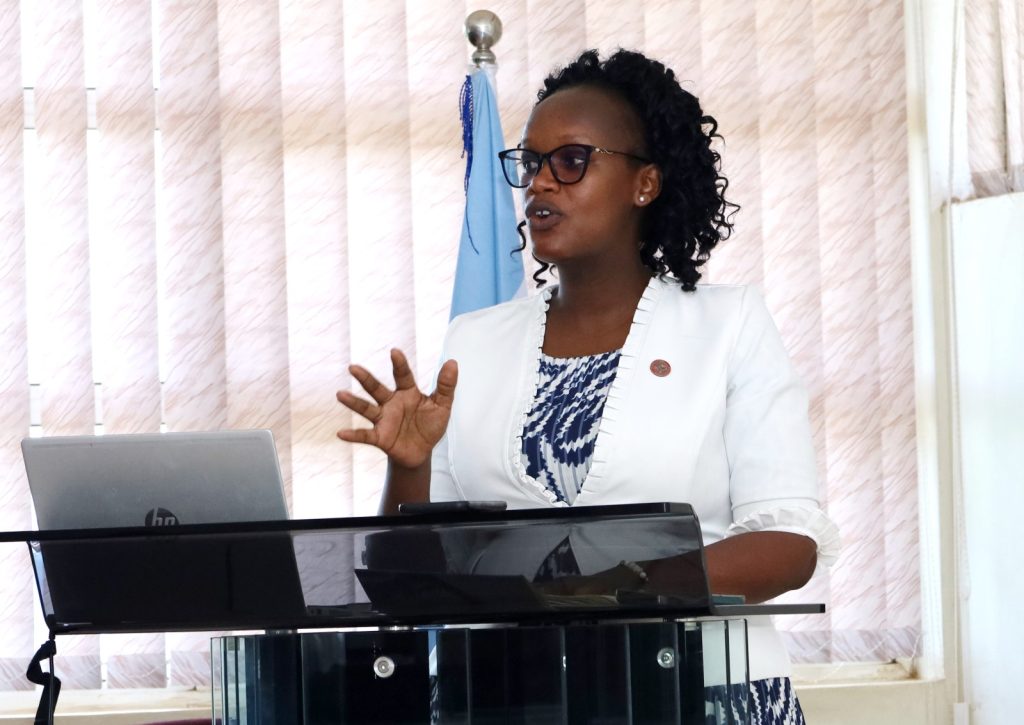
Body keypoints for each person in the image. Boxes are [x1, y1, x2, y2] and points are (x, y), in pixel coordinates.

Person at [337, 49, 840, 724]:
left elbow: (787, 541)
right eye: (531, 163)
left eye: (570, 161)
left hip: (700, 694)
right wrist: (412, 466)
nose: (540, 184)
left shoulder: (728, 325)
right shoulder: (475, 341)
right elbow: (418, 571)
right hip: (514, 698)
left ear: (645, 183)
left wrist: (609, 593)